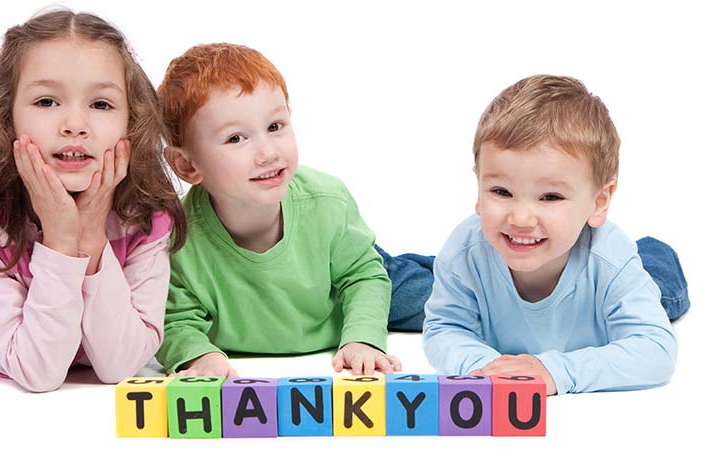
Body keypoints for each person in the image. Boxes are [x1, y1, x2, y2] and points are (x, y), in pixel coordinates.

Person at [0, 9, 186, 392]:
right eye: (47, 102)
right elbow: (39, 372)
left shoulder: (146, 215)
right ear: (3, 116)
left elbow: (119, 366)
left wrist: (93, 236)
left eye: (101, 105)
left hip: (77, 326)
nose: (75, 124)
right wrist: (62, 241)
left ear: (131, 122)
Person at [422, 75, 686, 395]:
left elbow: (656, 351)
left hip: (628, 271)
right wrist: (489, 370)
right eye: (501, 191)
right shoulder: (463, 250)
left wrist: (555, 370)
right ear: (478, 188)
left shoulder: (611, 259)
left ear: (599, 202)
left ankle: (657, 256)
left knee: (662, 292)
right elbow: (444, 329)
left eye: (550, 197)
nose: (520, 218)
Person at [154, 43, 401, 378]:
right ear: (186, 165)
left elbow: (365, 276)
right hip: (307, 284)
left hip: (338, 274)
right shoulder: (178, 241)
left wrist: (362, 340)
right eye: (236, 138)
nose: (267, 152)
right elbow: (174, 319)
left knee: (444, 294)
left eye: (275, 126)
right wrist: (199, 357)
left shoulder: (326, 201)